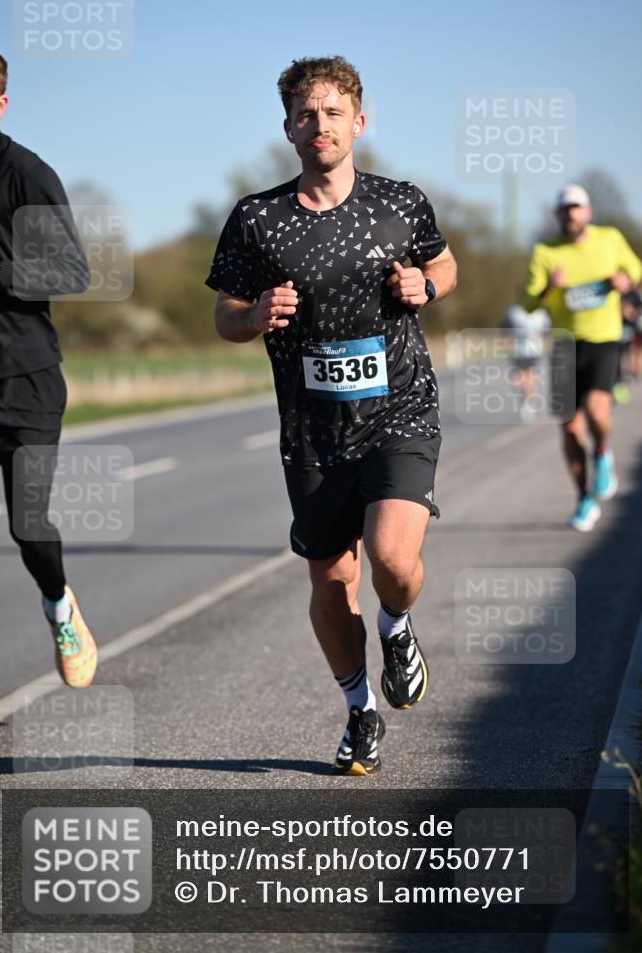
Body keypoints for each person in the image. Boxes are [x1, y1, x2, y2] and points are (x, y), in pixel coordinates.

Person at [206, 56, 456, 775]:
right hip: (313, 429)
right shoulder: (258, 219)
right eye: (306, 114)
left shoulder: (399, 203)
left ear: (359, 121)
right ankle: (358, 713)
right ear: (288, 127)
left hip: (399, 408)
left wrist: (424, 285)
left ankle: (398, 628)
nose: (320, 125)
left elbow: (444, 265)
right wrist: (252, 315)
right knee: (329, 580)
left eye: (333, 111)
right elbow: (223, 315)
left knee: (391, 559)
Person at [0, 43, 97, 687]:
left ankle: (59, 606)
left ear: (1, 102)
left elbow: (71, 270)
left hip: (24, 373)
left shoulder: (26, 174)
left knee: (29, 524)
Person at [523, 184, 642, 532]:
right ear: (558, 215)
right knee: (570, 428)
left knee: (595, 409)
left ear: (588, 212)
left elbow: (634, 269)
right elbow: (530, 303)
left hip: (603, 339)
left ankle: (603, 451)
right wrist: (550, 285)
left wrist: (625, 280)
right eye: (565, 209)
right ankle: (583, 496)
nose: (571, 214)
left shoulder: (610, 239)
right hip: (564, 345)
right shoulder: (545, 251)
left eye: (577, 208)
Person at [501, 302, 551, 422]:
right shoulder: (513, 311)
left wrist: (541, 334)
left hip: (533, 350)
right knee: (515, 379)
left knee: (529, 376)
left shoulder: (540, 312)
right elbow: (504, 326)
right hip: (517, 350)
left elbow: (547, 328)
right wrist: (507, 337)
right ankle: (527, 400)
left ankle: (530, 403)